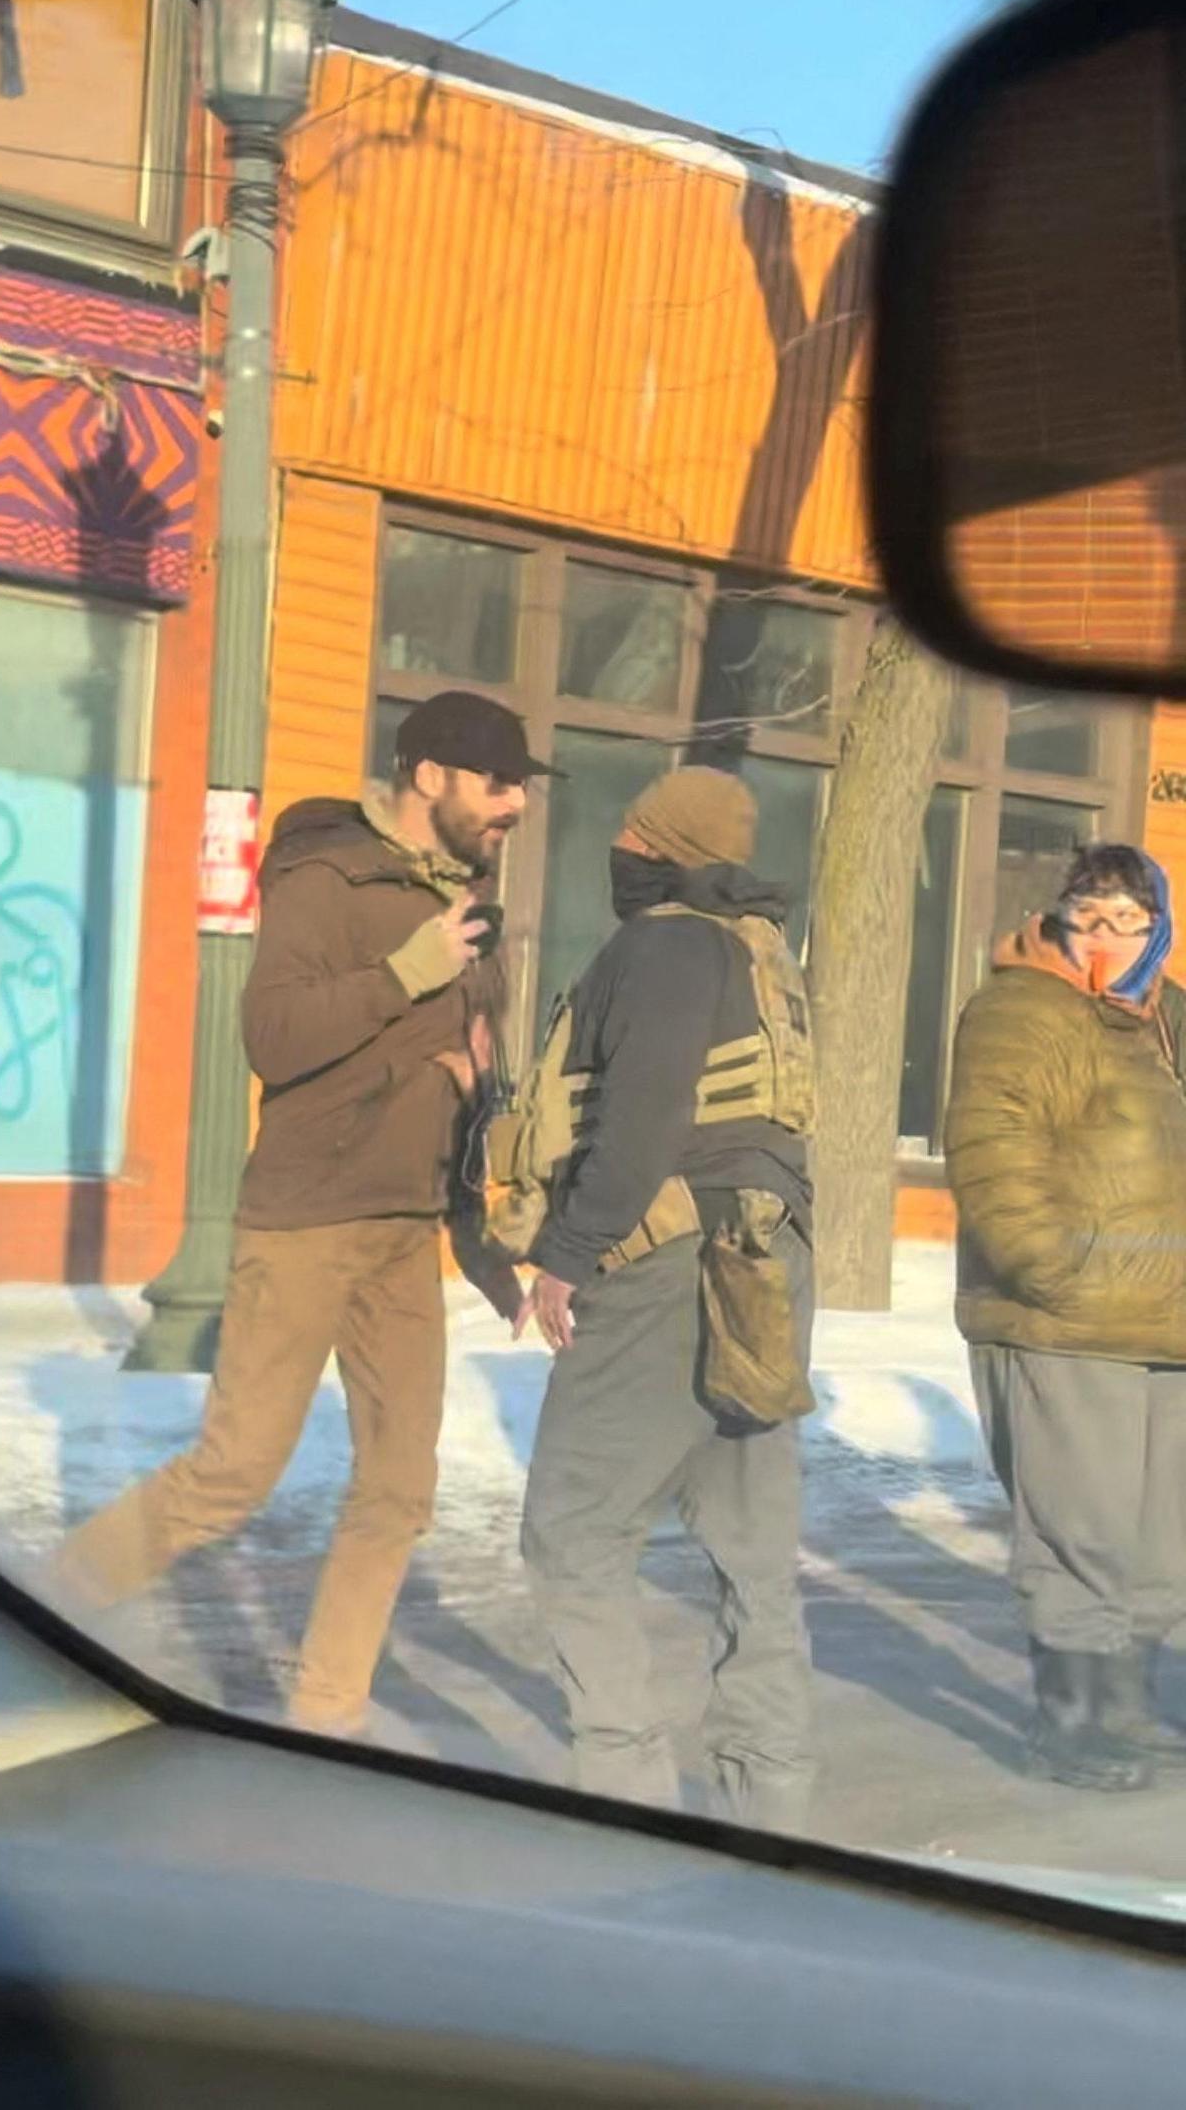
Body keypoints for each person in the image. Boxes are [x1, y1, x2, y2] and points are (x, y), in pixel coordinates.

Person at [54, 691, 550, 1736]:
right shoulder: (329, 875)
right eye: (497, 780)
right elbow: (272, 1033)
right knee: (230, 1475)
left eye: (520, 787)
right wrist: (412, 972)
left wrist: (487, 1242)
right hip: (308, 1220)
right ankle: (43, 1619)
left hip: (405, 1229)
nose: (514, 804)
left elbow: (463, 1095)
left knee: (401, 1484)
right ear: (429, 777)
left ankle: (326, 1716)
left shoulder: (465, 902)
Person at [511, 765, 818, 1829]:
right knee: (752, 1547)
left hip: (670, 1261)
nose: (622, 849)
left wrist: (567, 1250)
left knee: (572, 1526)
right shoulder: (757, 952)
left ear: (670, 850)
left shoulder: (666, 944)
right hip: (766, 1257)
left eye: (638, 834)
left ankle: (626, 1797)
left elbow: (642, 1116)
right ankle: (767, 1803)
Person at [945, 842, 1186, 1793]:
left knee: (1162, 1540)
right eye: (1088, 918)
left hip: (1168, 1327)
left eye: (1128, 921)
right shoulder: (1020, 1008)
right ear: (1059, 919)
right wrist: (1059, 1273)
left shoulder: (1168, 1023)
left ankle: (1126, 1710)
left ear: (1159, 928)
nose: (1105, 939)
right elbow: (992, 1149)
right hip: (1065, 1322)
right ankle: (1075, 1724)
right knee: (1079, 1531)